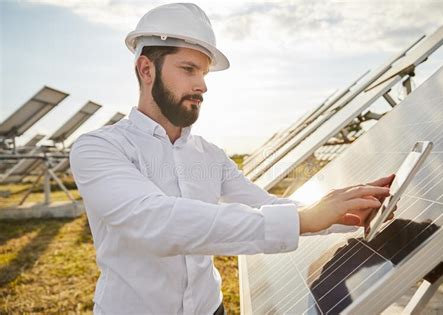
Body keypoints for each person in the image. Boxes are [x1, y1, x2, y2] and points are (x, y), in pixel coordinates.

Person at [70, 3, 392, 314]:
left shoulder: (210, 155)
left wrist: (345, 213)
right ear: (146, 69)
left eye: (205, 73)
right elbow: (157, 220)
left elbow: (262, 204)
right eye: (188, 69)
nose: (202, 85)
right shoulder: (98, 149)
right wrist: (304, 220)